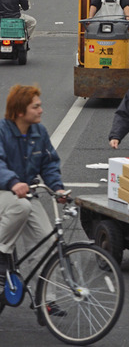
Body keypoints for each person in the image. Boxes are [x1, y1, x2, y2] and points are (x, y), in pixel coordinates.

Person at [0, 85, 66, 300]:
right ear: (20, 111)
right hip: (5, 193)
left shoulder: (40, 132)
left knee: (48, 243)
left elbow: (49, 164)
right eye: (36, 106)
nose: (41, 110)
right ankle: (1, 253)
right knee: (21, 206)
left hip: (26, 194)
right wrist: (12, 182)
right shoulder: (2, 131)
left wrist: (57, 188)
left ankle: (47, 301)